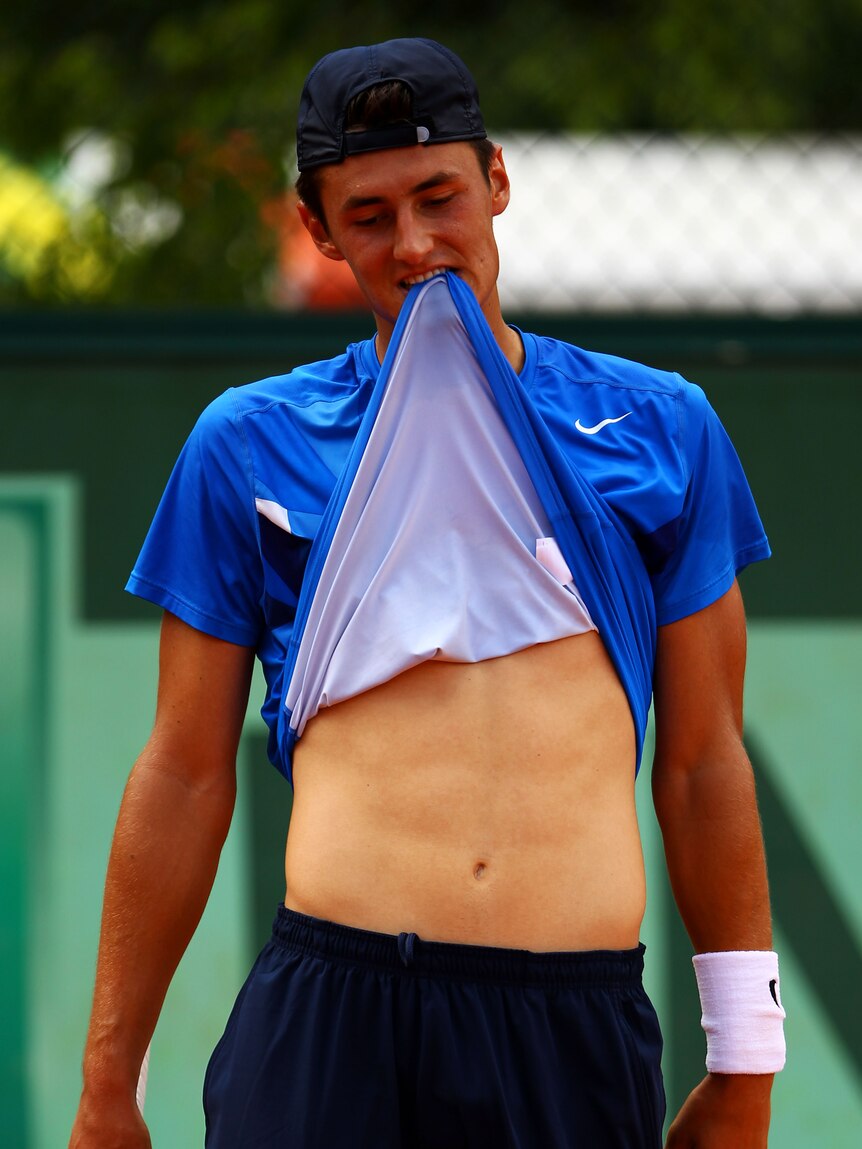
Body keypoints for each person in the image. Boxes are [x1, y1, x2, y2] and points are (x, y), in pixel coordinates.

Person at [69, 37, 785, 1149]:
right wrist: (108, 1086)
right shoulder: (248, 444)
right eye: (366, 216)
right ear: (318, 231)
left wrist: (745, 1060)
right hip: (327, 1028)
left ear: (497, 182)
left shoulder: (663, 429)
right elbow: (181, 773)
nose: (413, 245)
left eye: (438, 196)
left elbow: (700, 766)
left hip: (571, 1033)